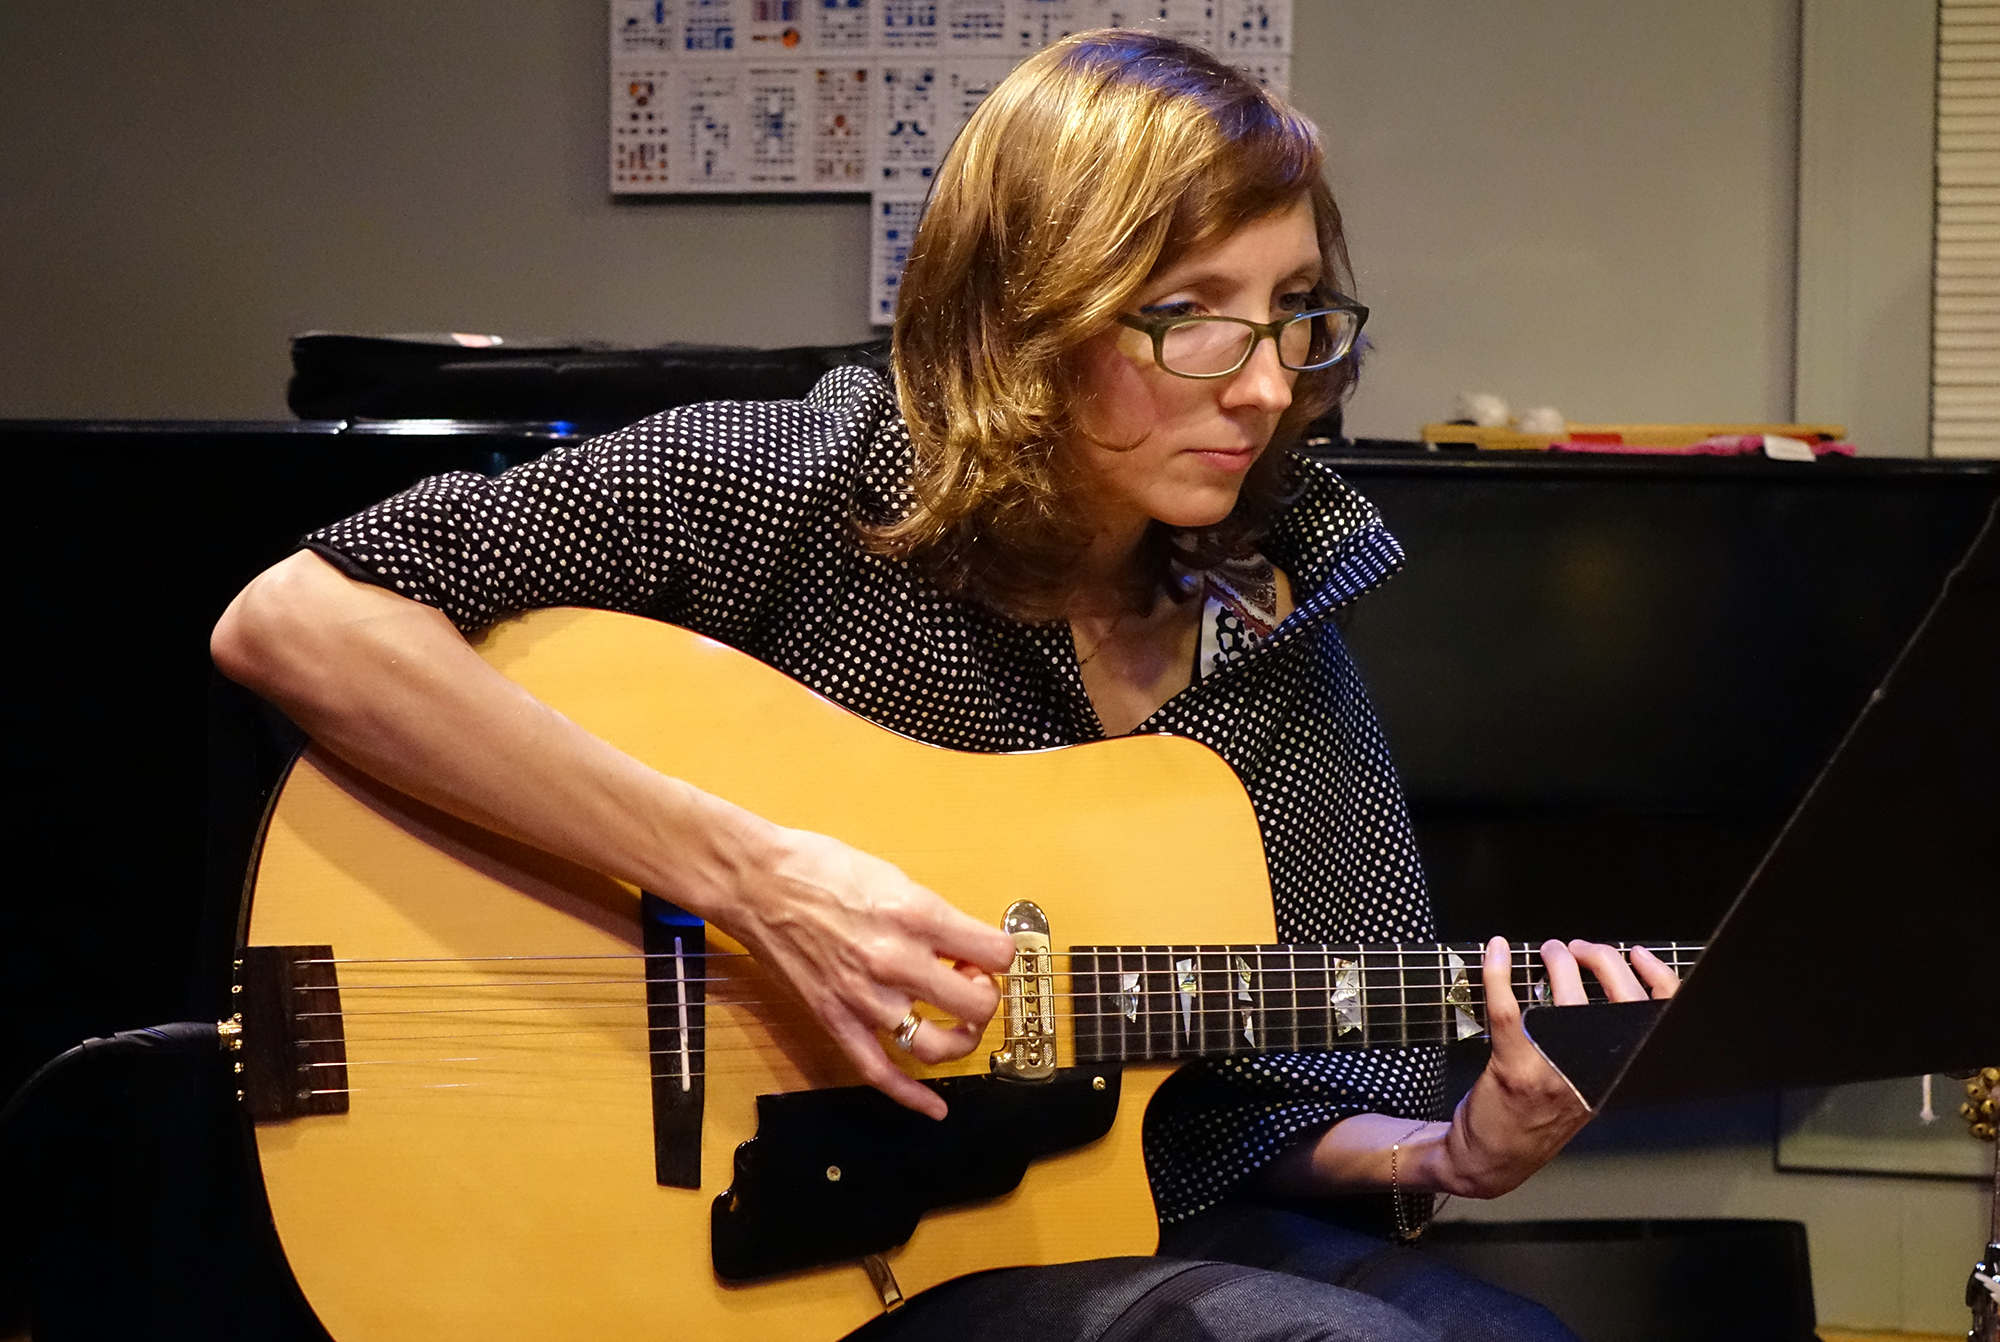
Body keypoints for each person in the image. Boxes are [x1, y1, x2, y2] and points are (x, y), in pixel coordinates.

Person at [213, 29, 1678, 1342]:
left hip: (1094, 1226)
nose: (1263, 384)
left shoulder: (1273, 618)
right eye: (1190, 312)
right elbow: (297, 621)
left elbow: (1253, 1113)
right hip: (801, 1256)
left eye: (1295, 309)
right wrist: (752, 877)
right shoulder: (785, 481)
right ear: (1031, 310)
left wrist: (1439, 1158)